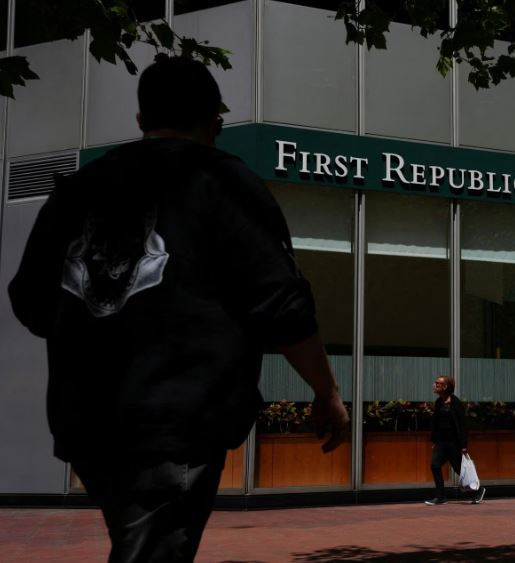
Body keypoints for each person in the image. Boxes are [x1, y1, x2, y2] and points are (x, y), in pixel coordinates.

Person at [7, 55, 349, 563]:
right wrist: (326, 392)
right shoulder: (225, 183)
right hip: (179, 416)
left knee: (140, 542)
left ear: (142, 120)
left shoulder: (81, 188)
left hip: (88, 417)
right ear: (216, 120)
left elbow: (31, 302)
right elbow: (282, 305)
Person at [425, 375, 486, 505]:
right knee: (435, 466)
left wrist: (463, 445)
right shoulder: (438, 402)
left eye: (438, 383)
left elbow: (462, 425)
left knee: (460, 470)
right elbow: (436, 422)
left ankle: (479, 490)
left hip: (453, 443)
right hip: (441, 442)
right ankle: (441, 496)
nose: (434, 385)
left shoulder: (456, 403)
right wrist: (434, 440)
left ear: (446, 387)